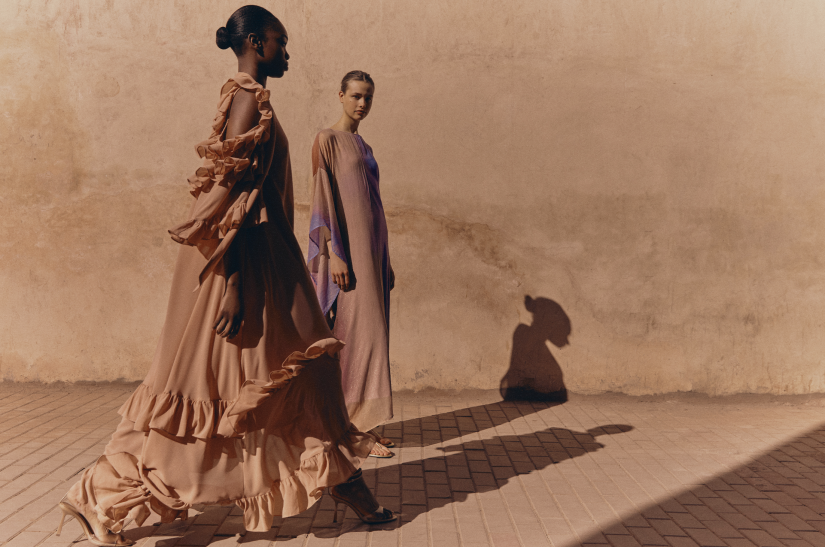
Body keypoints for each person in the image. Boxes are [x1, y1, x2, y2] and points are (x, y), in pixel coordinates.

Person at [55, 7, 395, 545]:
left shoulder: (249, 97)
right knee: (219, 392)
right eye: (281, 42)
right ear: (257, 42)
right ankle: (105, 498)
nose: (287, 53)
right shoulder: (246, 97)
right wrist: (234, 286)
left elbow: (243, 190)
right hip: (246, 267)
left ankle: (347, 485)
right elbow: (231, 195)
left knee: (296, 380)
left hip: (266, 261)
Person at [307, 71, 395, 458]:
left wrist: (385, 260)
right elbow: (322, 199)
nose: (362, 103)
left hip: (373, 254)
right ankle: (350, 430)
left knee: (374, 336)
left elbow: (373, 205)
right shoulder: (327, 140)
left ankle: (364, 424)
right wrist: (334, 254)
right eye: (356, 95)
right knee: (357, 336)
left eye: (368, 97)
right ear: (340, 95)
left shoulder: (364, 145)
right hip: (348, 255)